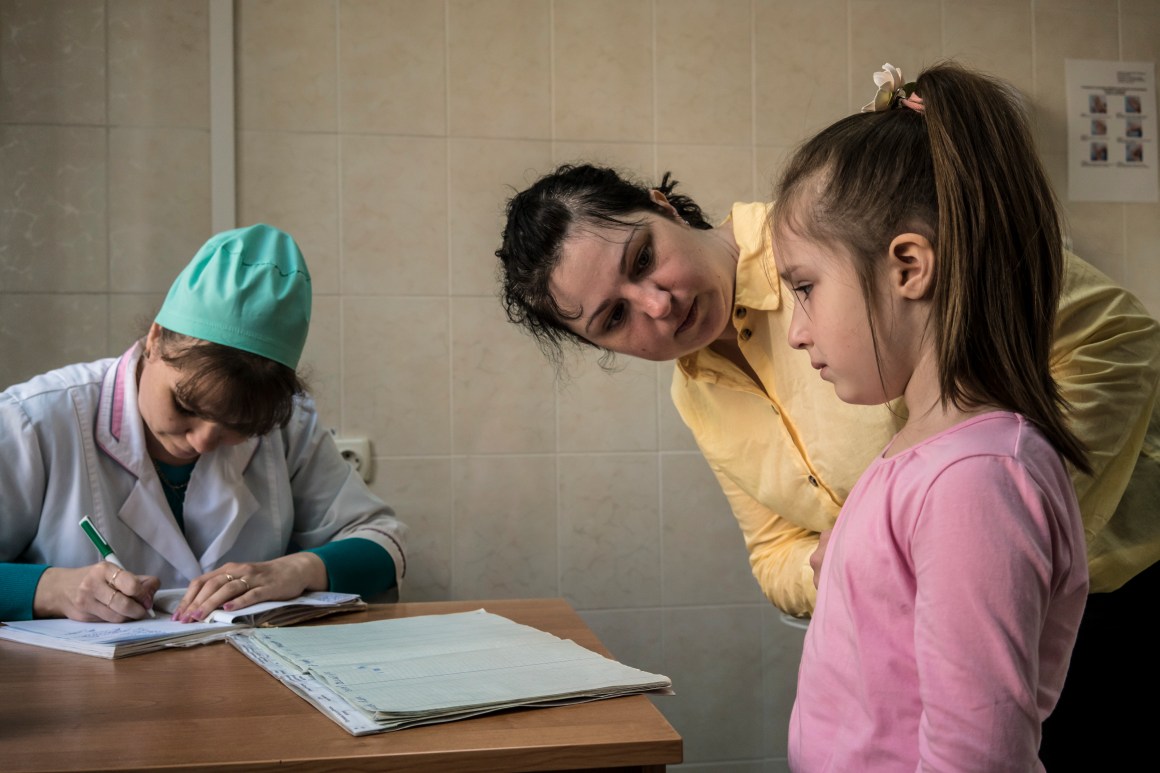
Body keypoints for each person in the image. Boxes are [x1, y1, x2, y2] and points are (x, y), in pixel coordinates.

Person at [495, 104, 1159, 770]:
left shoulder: (836, 218)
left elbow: (1117, 340)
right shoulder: (697, 392)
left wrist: (986, 525)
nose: (658, 306)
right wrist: (860, 558)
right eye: (614, 318)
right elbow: (775, 550)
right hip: (926, 632)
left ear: (663, 206)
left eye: (643, 259)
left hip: (1098, 592)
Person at [775, 61, 1087, 767]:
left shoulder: (977, 479)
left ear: (909, 266)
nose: (797, 330)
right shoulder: (927, 455)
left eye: (805, 287)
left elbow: (977, 754)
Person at [0, 224, 406, 624]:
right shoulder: (33, 420)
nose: (204, 440)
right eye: (185, 405)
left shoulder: (286, 425)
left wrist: (299, 570)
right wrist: (49, 589)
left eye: (240, 424)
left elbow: (384, 543)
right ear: (156, 339)